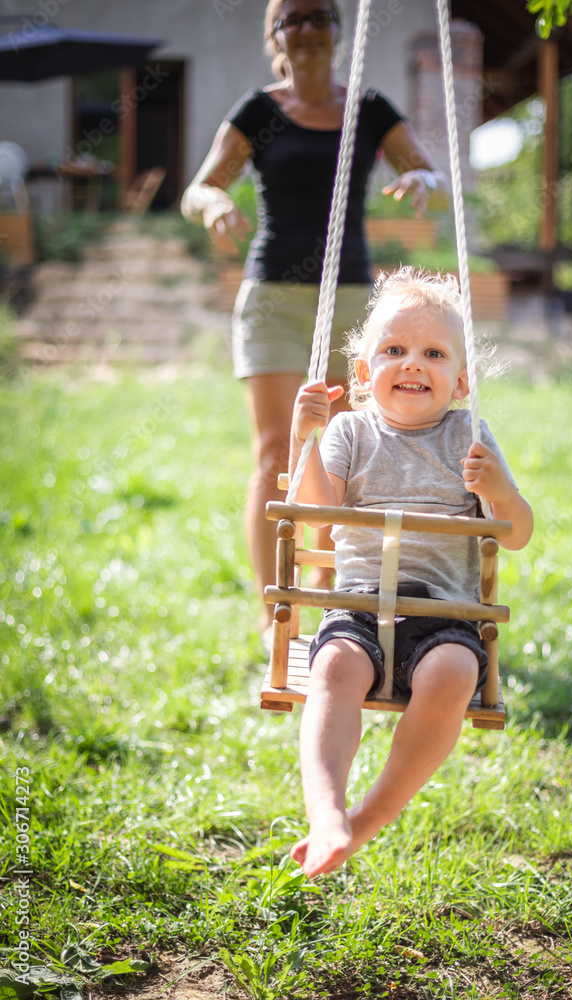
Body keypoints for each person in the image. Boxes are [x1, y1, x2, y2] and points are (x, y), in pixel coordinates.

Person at [181, 0, 448, 638]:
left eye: (318, 16)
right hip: (273, 296)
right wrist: (215, 203)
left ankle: (335, 596)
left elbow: (430, 173)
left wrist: (423, 182)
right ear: (275, 36)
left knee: (346, 456)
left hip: (353, 301)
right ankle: (276, 611)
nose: (306, 29)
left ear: (338, 30)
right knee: (277, 452)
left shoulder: (369, 108)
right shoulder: (258, 110)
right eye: (291, 19)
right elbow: (198, 187)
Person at [287, 267, 534, 878]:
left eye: (433, 352)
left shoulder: (469, 437)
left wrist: (501, 492)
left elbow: (519, 533)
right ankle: (325, 812)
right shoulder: (350, 430)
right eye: (394, 350)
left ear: (461, 381)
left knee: (453, 672)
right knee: (335, 667)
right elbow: (316, 518)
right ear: (366, 375)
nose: (412, 363)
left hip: (443, 616)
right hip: (360, 607)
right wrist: (305, 440)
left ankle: (365, 821)